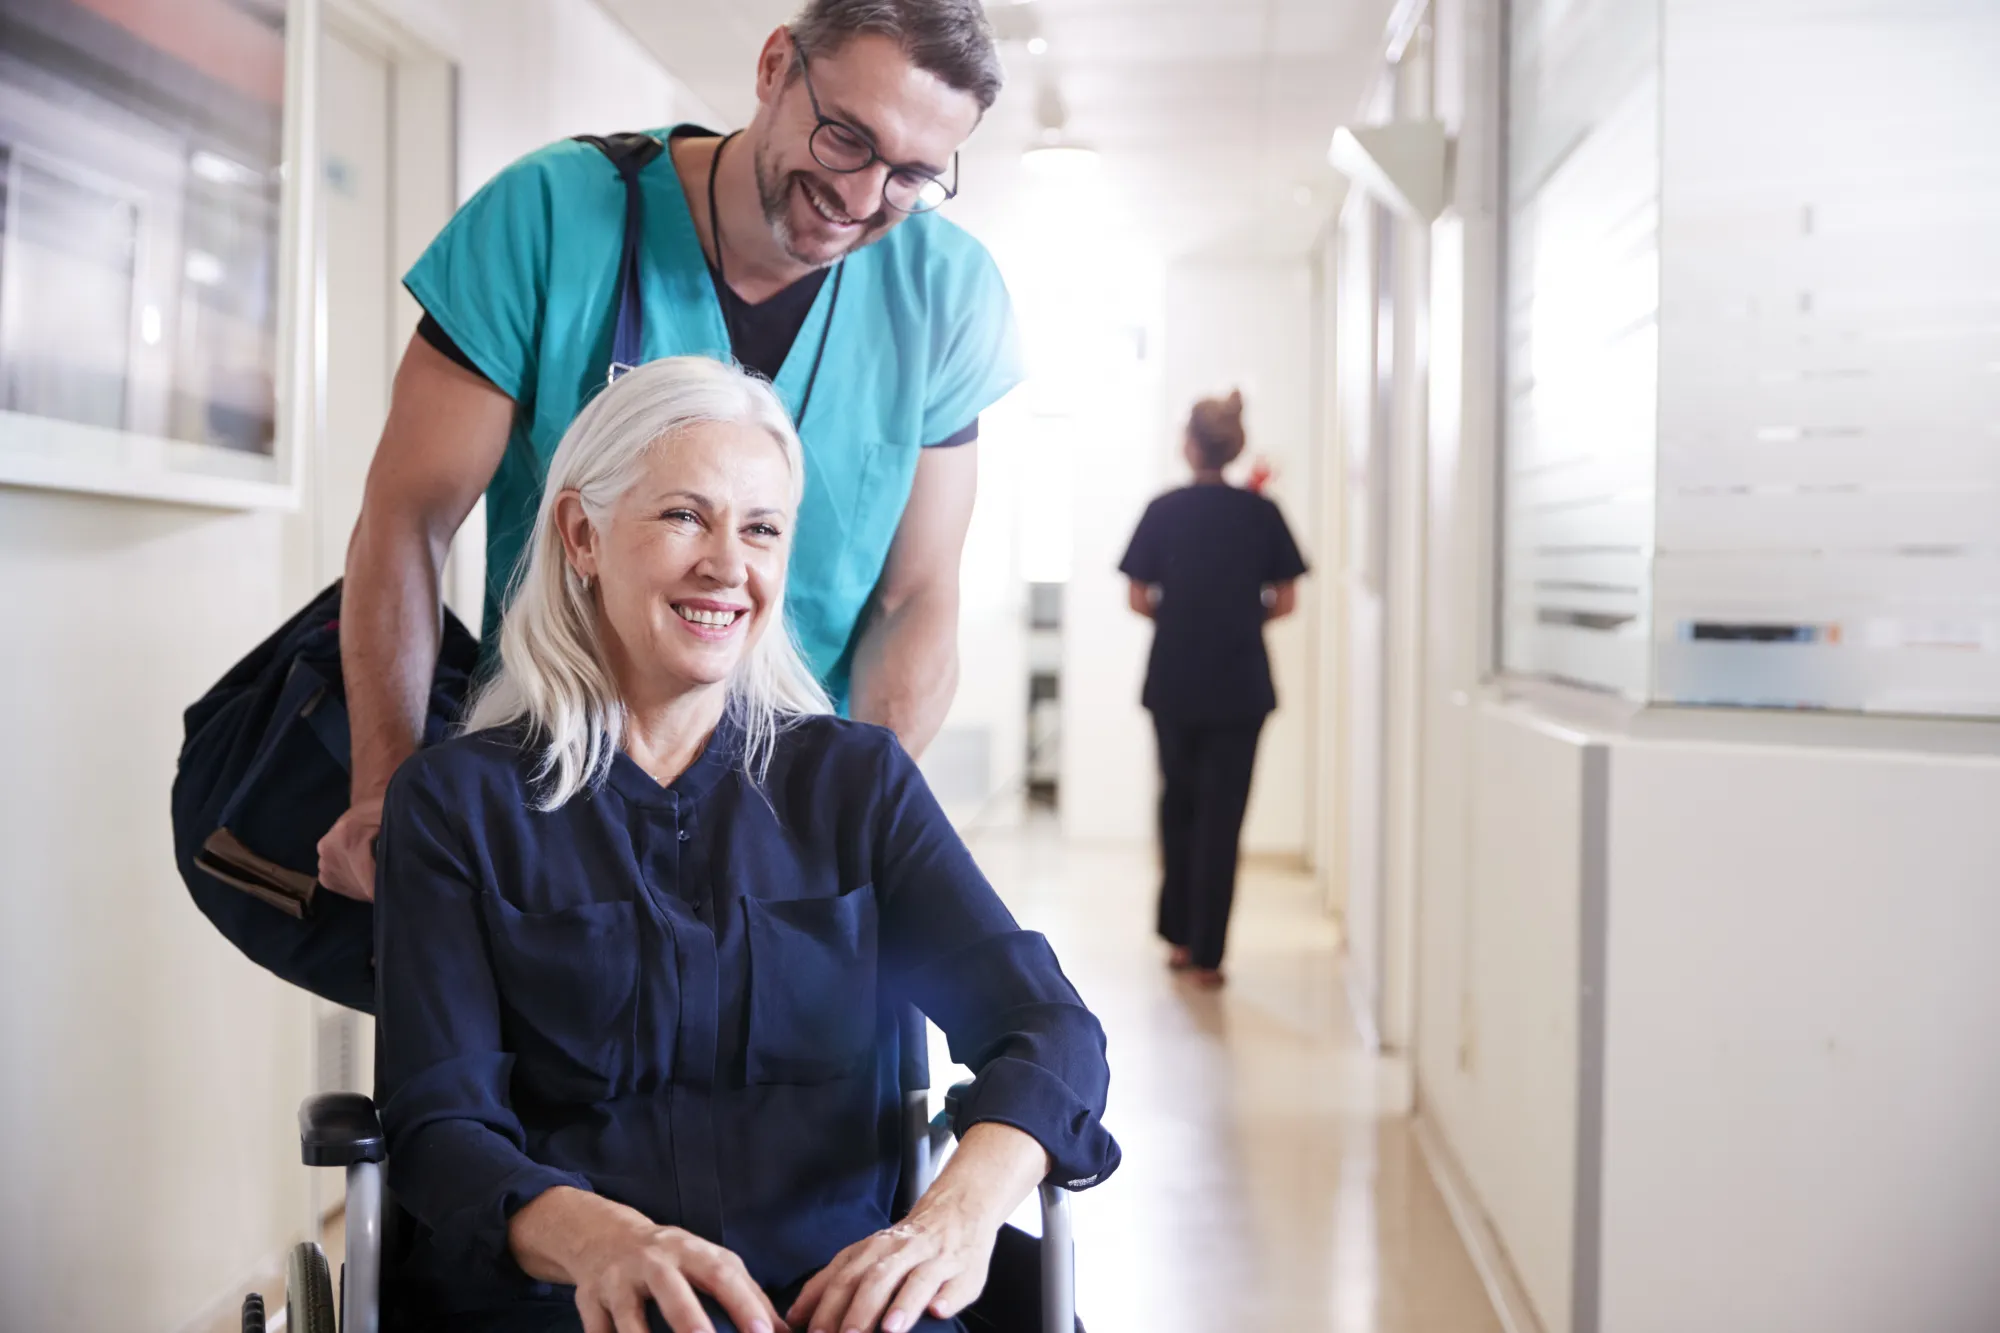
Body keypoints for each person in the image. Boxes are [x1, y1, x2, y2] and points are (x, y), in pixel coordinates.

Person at [375, 358, 1118, 1333]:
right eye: (685, 515)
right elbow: (440, 1126)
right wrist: (604, 1241)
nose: (728, 564)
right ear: (582, 533)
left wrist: (953, 1218)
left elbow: (1047, 1029)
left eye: (761, 528)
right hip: (569, 1302)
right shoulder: (456, 805)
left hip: (835, 1301)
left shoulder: (853, 785)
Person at [320, 0, 1023, 903]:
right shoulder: (550, 217)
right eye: (847, 137)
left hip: (792, 822)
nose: (861, 198)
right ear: (774, 68)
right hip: (553, 797)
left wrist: (854, 821)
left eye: (911, 176)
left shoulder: (946, 293)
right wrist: (389, 788)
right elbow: (406, 520)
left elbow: (916, 594)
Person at [1117, 392, 1307, 989]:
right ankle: (1208, 955)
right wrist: (1240, 617)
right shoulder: (1262, 513)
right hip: (1240, 685)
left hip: (1175, 679)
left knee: (1178, 806)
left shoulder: (1164, 510)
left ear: (1190, 444)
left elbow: (1138, 596)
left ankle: (1176, 937)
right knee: (1224, 817)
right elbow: (1287, 598)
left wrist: (1183, 618)